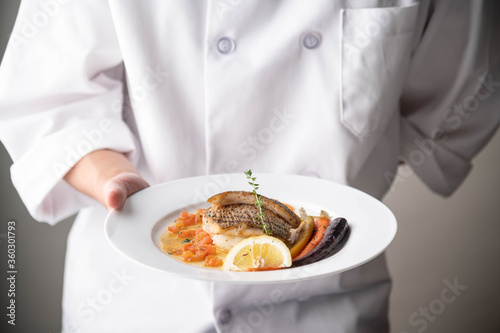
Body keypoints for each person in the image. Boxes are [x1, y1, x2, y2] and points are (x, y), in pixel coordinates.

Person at [0, 0, 499, 332]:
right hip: (139, 304)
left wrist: (339, 191)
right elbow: (51, 101)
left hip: (327, 311)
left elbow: (462, 96)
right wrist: (113, 180)